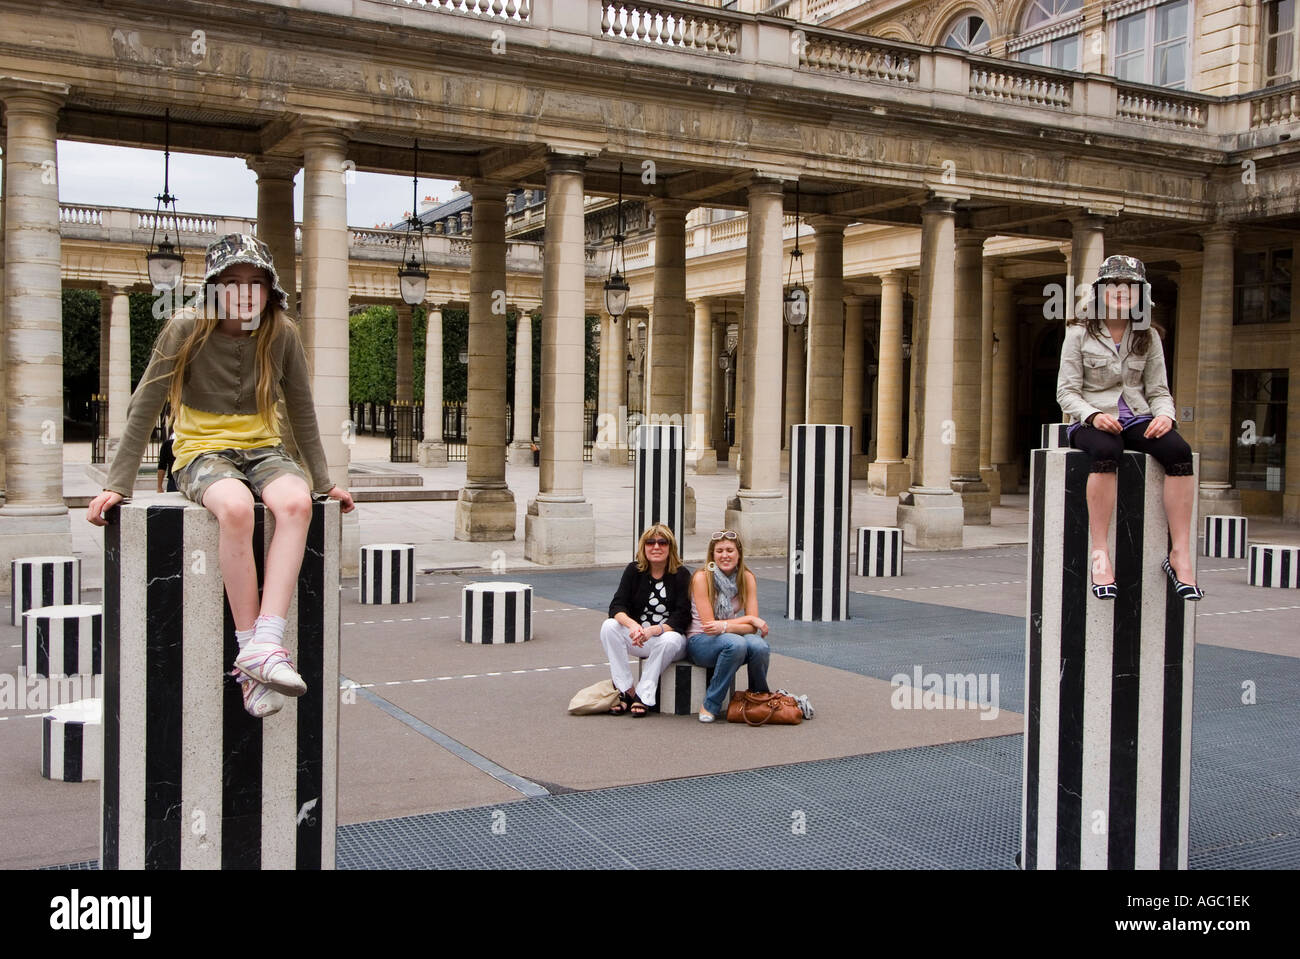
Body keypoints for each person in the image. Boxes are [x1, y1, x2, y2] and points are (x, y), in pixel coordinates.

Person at [85, 233, 356, 717]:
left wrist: (322, 480)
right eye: (232, 282)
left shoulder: (282, 332)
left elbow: (301, 411)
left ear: (270, 290)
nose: (244, 292)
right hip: (200, 451)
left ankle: (265, 643)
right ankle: (252, 651)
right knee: (233, 507)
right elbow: (145, 402)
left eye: (255, 282)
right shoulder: (185, 328)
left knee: (296, 505)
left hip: (264, 449)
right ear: (213, 289)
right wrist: (116, 483)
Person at [1056, 254, 1202, 601]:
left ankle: (1179, 553)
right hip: (1090, 420)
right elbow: (1066, 392)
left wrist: (1165, 416)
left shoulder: (1148, 336)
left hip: (1137, 416)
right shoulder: (1078, 334)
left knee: (1179, 452)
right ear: (1101, 291)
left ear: (1141, 295)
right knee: (1108, 451)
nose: (1122, 292)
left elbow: (1159, 391)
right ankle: (1100, 552)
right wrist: (1092, 415)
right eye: (1114, 285)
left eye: (1130, 287)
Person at [600, 524, 692, 717]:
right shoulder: (634, 570)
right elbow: (617, 606)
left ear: (670, 547)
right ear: (643, 547)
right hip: (639, 637)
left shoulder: (681, 574)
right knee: (609, 626)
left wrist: (653, 630)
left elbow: (682, 616)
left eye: (662, 542)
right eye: (650, 542)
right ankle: (626, 691)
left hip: (669, 640)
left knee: (671, 639)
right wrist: (634, 626)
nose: (656, 547)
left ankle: (644, 695)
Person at [686, 530, 771, 723]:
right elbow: (709, 627)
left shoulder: (747, 577)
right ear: (712, 555)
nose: (725, 555)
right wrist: (748, 619)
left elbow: (752, 628)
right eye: (720, 551)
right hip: (700, 642)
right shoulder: (702, 577)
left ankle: (758, 698)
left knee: (759, 646)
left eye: (730, 550)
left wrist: (726, 625)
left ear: (739, 553)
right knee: (736, 644)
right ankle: (710, 704)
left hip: (729, 637)